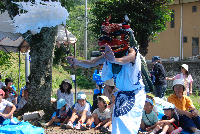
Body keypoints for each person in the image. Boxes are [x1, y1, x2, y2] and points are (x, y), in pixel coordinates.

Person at [67, 15, 146, 134]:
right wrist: (77, 61)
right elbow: (92, 62)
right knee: (117, 122)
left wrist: (114, 60)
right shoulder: (108, 55)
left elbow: (127, 59)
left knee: (125, 122)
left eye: (114, 37)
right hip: (121, 94)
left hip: (135, 94)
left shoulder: (132, 51)